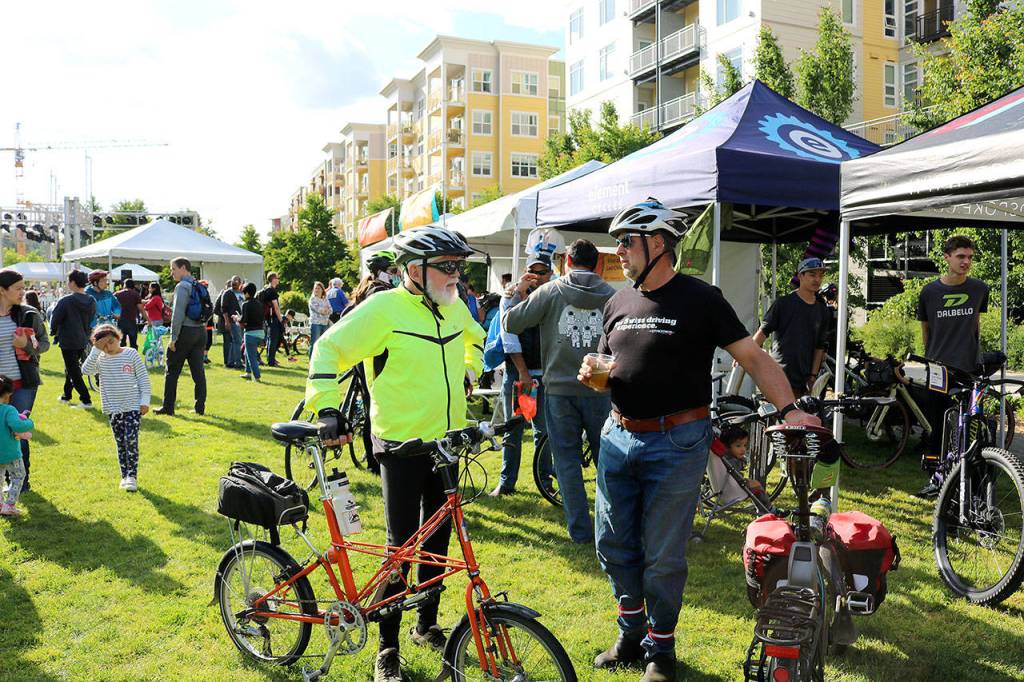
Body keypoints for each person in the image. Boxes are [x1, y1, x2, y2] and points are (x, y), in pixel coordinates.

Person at [578, 199, 819, 682]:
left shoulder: (701, 298)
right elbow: (604, 362)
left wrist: (790, 409)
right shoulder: (617, 302)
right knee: (612, 542)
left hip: (677, 440)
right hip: (617, 436)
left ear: (658, 243)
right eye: (618, 242)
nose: (619, 251)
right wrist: (593, 371)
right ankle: (630, 632)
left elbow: (753, 356)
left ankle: (660, 650)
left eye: (627, 241)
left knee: (663, 554)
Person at [305, 225, 484, 682]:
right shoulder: (383, 308)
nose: (456, 276)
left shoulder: (451, 306)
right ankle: (387, 649)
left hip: (447, 444)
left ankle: (426, 624)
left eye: (459, 267)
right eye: (447, 267)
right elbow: (328, 347)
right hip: (401, 446)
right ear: (414, 269)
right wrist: (326, 408)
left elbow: (476, 338)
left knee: (440, 545)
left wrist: (470, 368)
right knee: (400, 548)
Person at [503, 239, 615, 543]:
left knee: (566, 461)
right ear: (599, 264)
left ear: (566, 262)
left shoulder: (550, 291)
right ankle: (611, 529)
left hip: (559, 390)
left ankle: (580, 532)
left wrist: (516, 295)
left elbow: (511, 322)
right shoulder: (612, 295)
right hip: (600, 388)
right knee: (608, 461)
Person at [915, 234, 990, 498]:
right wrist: (932, 359)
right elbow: (926, 331)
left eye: (969, 257)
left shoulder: (980, 289)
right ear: (947, 257)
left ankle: (969, 479)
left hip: (969, 369)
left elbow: (977, 327)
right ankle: (936, 480)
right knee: (938, 425)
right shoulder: (929, 292)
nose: (966, 262)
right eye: (960, 257)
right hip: (938, 369)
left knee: (969, 425)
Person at [489, 253, 553, 497]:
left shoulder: (554, 296)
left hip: (544, 375)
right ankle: (506, 482)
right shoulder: (511, 298)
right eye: (532, 272)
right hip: (520, 375)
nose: (537, 277)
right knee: (513, 428)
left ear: (550, 273)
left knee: (544, 432)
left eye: (542, 272)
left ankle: (544, 481)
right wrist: (517, 295)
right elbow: (510, 338)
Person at [81, 324, 150, 492]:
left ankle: (132, 476)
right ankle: (124, 475)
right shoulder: (100, 358)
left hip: (132, 406)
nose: (108, 347)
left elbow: (143, 379)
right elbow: (85, 370)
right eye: (104, 345)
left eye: (111, 342)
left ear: (119, 337)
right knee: (121, 443)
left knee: (131, 440)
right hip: (113, 409)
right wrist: (96, 349)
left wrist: (145, 401)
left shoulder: (131, 354)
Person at [750, 258, 830, 399]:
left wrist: (812, 375)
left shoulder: (822, 311)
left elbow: (820, 347)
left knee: (801, 419)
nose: (817, 279)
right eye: (812, 274)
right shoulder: (783, 303)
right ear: (800, 276)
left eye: (820, 275)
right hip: (778, 374)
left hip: (804, 379)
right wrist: (745, 353)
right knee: (779, 419)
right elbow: (763, 332)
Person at [0, 270, 50, 492]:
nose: (23, 292)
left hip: (22, 383)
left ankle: (20, 480)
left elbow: (45, 344)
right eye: (18, 288)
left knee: (17, 428)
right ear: (3, 290)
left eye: (23, 287)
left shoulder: (29, 314)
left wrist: (26, 346)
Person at [155, 257, 207, 416]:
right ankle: (200, 407)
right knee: (198, 371)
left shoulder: (182, 286)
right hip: (200, 331)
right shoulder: (197, 284)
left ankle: (168, 407)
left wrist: (173, 337)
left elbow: (177, 315)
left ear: (183, 268)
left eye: (173, 269)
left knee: (172, 370)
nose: (171, 273)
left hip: (185, 331)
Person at [50, 270, 95, 409]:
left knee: (74, 371)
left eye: (69, 281)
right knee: (72, 369)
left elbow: (54, 319)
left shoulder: (66, 300)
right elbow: (92, 320)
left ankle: (86, 400)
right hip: (83, 338)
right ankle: (66, 395)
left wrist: (53, 331)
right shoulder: (91, 300)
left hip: (68, 340)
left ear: (73, 283)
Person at [0, 375, 34, 516]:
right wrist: (29, 423)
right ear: (8, 394)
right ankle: (10, 504)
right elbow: (17, 425)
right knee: (19, 476)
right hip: (11, 453)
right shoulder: (9, 410)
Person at [215, 277, 243, 368]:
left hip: (240, 320)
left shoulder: (242, 292)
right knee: (235, 341)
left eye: (236, 280)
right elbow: (223, 308)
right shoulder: (227, 293)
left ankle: (230, 362)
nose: (234, 282)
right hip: (231, 320)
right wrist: (226, 321)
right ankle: (236, 362)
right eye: (233, 280)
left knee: (235, 342)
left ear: (240, 282)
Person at [239, 282, 264, 382]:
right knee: (247, 353)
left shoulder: (245, 304)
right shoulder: (259, 304)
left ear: (247, 293)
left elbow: (243, 321)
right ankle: (248, 373)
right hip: (261, 333)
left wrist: (237, 318)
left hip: (250, 334)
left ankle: (257, 377)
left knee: (251, 356)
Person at [258, 272, 284, 367]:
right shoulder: (272, 291)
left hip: (267, 318)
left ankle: (271, 359)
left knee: (270, 339)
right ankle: (271, 361)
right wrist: (281, 320)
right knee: (273, 339)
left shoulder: (266, 289)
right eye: (277, 278)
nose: (278, 280)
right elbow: (276, 307)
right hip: (273, 318)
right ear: (273, 279)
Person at [114, 279, 144, 349]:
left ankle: (121, 358)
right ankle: (133, 358)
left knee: (121, 344)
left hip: (120, 321)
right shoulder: (135, 294)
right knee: (133, 344)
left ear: (124, 285)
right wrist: (148, 320)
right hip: (131, 321)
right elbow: (141, 308)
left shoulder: (117, 294)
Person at [308, 281, 332, 357]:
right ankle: (311, 361)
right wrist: (325, 310)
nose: (317, 290)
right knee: (314, 343)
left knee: (323, 343)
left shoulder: (325, 299)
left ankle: (320, 360)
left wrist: (325, 310)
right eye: (315, 288)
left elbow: (331, 310)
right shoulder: (312, 299)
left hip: (325, 324)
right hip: (316, 324)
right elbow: (319, 310)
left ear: (322, 290)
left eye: (319, 288)